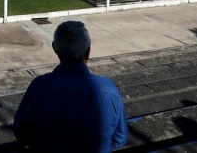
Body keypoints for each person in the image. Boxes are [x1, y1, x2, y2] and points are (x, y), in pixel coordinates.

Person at [13, 21, 128, 152]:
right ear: (88, 52)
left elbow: (22, 133)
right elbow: (119, 138)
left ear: (55, 48)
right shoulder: (109, 89)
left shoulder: (39, 87)